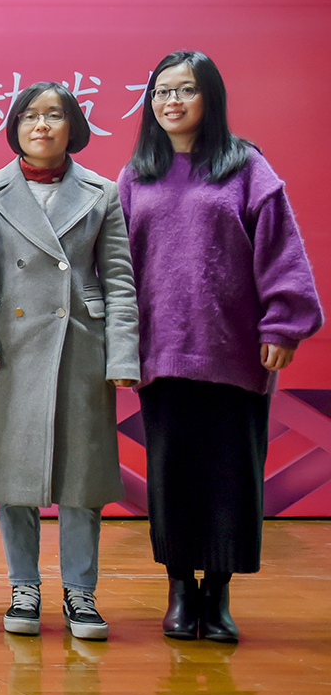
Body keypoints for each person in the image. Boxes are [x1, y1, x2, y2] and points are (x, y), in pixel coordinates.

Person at [119, 51, 321, 643]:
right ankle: (181, 591)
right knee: (172, 475)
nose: (171, 102)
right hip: (162, 351)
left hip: (234, 351)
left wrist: (282, 325)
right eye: (161, 92)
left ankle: (219, 594)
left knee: (231, 476)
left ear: (211, 97)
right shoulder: (138, 175)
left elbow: (281, 249)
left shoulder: (246, 167)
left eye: (185, 90)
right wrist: (119, 343)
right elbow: (117, 268)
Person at [0, 82, 139, 641]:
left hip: (80, 347)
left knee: (82, 479)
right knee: (12, 475)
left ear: (73, 127)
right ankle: (24, 587)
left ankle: (81, 593)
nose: (41, 125)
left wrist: (123, 354)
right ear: (14, 126)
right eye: (30, 116)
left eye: (54, 115)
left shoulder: (102, 193)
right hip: (7, 349)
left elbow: (119, 280)